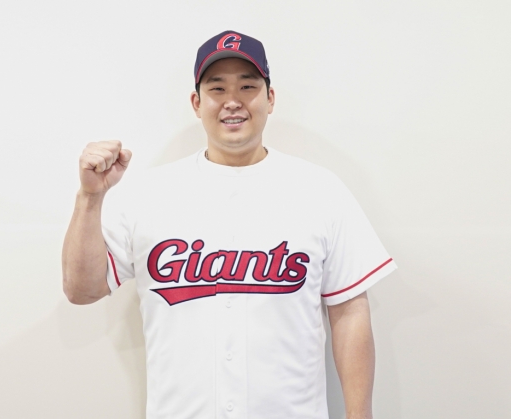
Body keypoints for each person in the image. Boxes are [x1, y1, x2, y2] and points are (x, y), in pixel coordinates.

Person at [62, 30, 396, 419]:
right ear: (196, 102)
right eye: (217, 88)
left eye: (248, 86)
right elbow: (82, 290)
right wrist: (90, 198)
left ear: (270, 98)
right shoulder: (148, 194)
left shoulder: (320, 190)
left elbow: (350, 313)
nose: (232, 101)